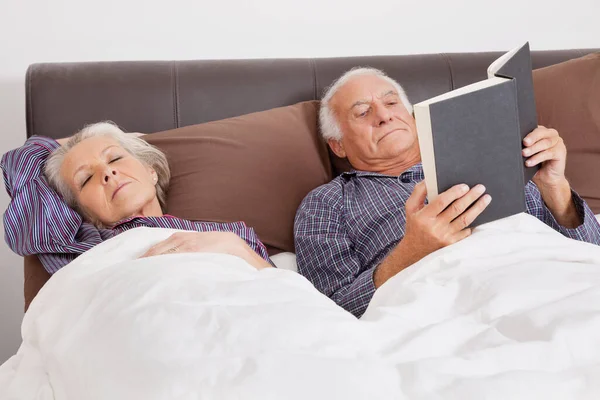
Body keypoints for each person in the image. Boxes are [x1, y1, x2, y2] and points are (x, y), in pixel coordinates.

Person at [294, 67, 600, 318]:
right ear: (338, 145)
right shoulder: (326, 203)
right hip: (449, 304)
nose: (384, 116)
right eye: (363, 112)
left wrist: (554, 186)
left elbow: (590, 251)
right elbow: (332, 311)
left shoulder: (493, 154)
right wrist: (411, 252)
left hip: (550, 279)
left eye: (391, 103)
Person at [2, 122, 272, 274]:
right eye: (86, 179)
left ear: (151, 171)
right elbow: (20, 159)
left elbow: (290, 297)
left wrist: (234, 247)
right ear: (86, 214)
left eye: (115, 157)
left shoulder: (232, 235)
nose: (107, 172)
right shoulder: (78, 244)